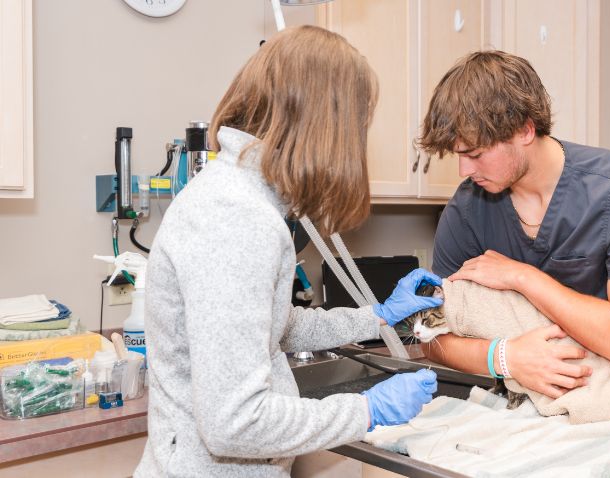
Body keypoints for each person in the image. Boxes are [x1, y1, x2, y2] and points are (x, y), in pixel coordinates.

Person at [136, 26, 443, 477]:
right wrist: (366, 410)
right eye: (356, 124)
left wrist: (377, 315)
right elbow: (235, 423)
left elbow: (273, 324)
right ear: (328, 126)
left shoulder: (239, 196)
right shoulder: (237, 216)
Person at [417, 50, 610, 398]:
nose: (464, 171)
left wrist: (523, 278)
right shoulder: (466, 210)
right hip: (530, 404)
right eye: (458, 156)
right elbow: (432, 337)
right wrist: (505, 358)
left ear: (524, 130)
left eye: (474, 154)